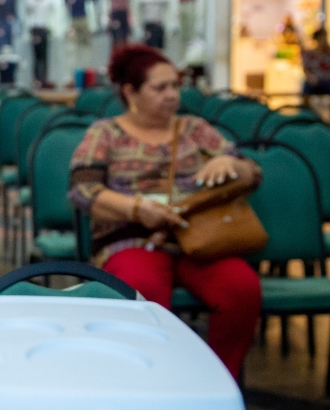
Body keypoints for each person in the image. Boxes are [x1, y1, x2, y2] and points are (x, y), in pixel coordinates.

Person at [68, 45, 260, 376]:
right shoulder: (105, 134)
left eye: (175, 85)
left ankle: (216, 380)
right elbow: (83, 191)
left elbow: (252, 173)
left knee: (241, 288)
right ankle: (151, 379)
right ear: (131, 92)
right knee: (143, 290)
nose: (172, 95)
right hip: (132, 238)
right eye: (160, 88)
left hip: (197, 238)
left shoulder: (193, 129)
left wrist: (229, 162)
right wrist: (136, 209)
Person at [301, 26, 330, 124]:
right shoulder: (310, 53)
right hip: (315, 81)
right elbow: (305, 69)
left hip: (329, 80)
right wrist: (310, 77)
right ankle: (307, 116)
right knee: (306, 88)